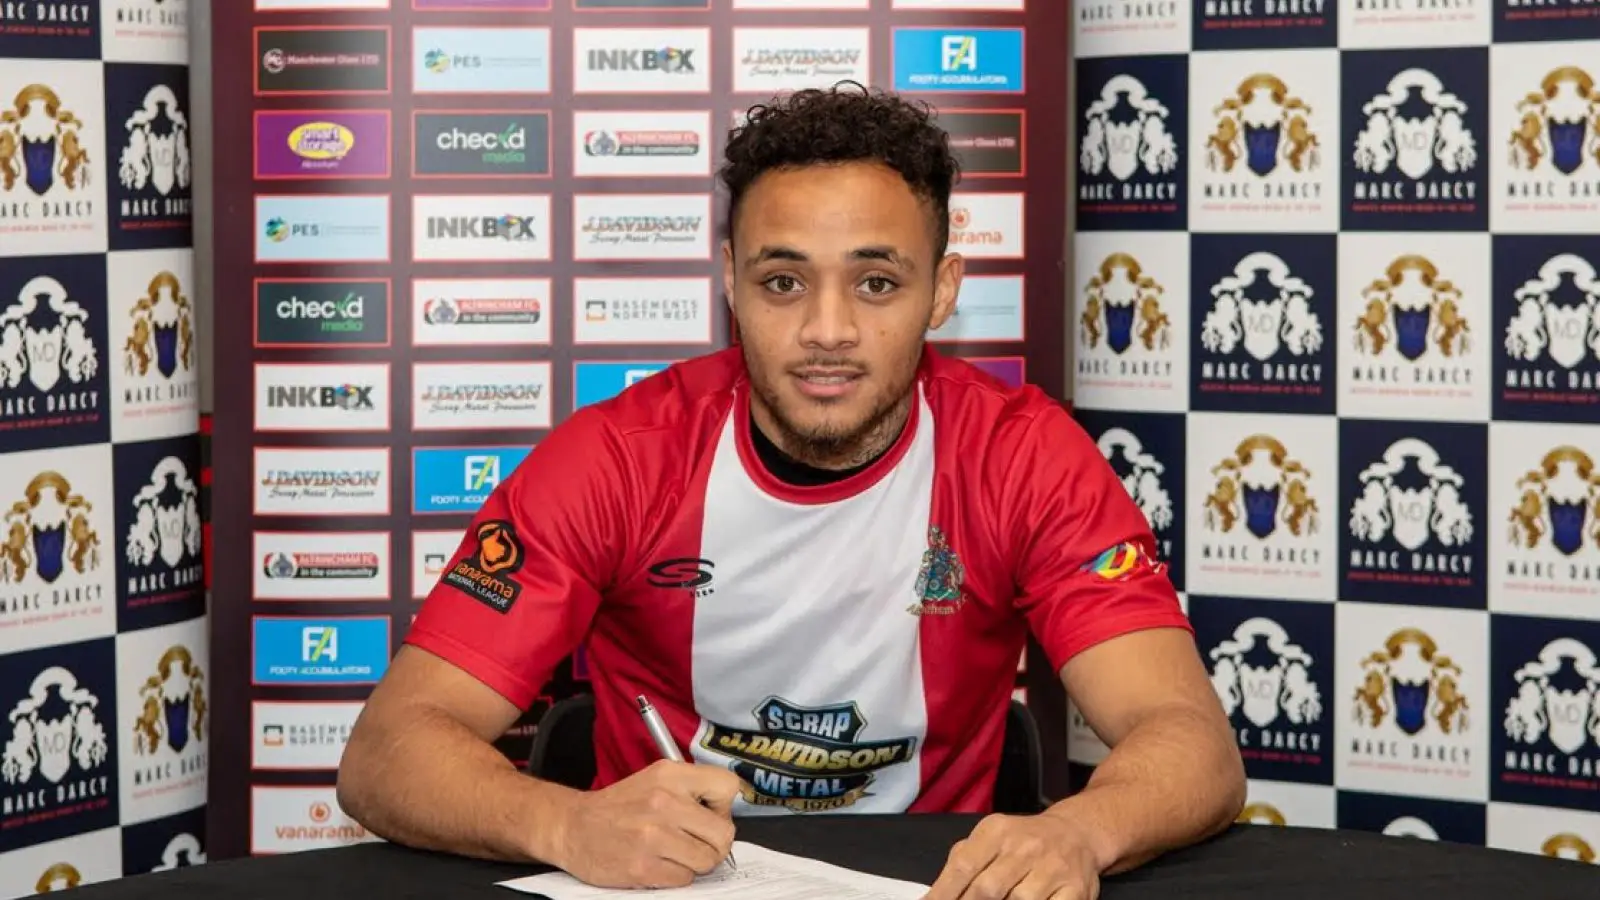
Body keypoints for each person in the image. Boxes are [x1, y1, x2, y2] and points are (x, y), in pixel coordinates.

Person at [338, 82, 1245, 899]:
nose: (827, 329)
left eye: (876, 282)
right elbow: (387, 753)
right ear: (730, 281)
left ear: (942, 292)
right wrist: (567, 824)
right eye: (783, 281)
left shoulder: (1023, 457)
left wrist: (1080, 832)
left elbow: (1189, 739)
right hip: (665, 889)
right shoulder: (618, 459)